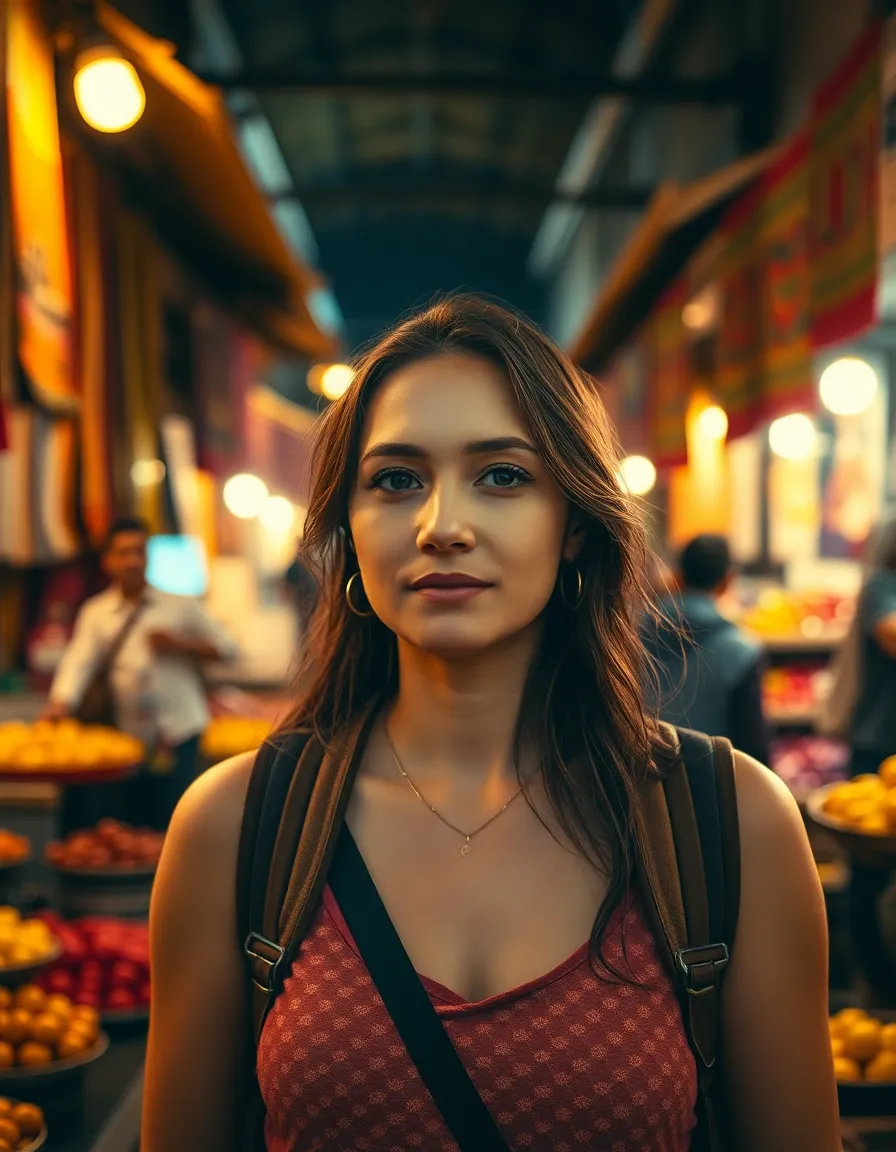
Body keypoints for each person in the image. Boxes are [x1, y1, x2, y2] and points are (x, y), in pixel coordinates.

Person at [143, 298, 838, 1152]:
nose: (443, 527)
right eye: (396, 479)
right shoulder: (237, 826)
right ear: (348, 528)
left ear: (576, 525)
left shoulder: (731, 824)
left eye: (502, 475)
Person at [44, 517, 237, 828]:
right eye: (123, 553)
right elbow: (78, 661)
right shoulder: (97, 612)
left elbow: (229, 648)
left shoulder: (180, 605)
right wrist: (61, 702)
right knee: (132, 818)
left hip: (179, 730)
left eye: (140, 551)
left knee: (176, 817)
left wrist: (182, 644)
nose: (133, 560)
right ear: (107, 561)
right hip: (127, 734)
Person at [641, 534, 771, 767]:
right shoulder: (741, 651)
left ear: (678, 578)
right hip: (712, 789)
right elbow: (753, 748)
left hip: (640, 782)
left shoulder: (630, 638)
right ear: (727, 581)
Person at [843, 518, 896, 1004]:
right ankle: (873, 984)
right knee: (866, 873)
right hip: (878, 745)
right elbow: (890, 634)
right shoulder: (883, 585)